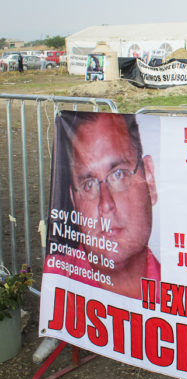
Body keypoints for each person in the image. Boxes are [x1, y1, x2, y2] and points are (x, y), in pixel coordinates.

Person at [47, 112, 160, 300]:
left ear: (149, 180)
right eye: (88, 184)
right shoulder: (56, 281)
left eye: (118, 174)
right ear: (73, 201)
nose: (105, 204)